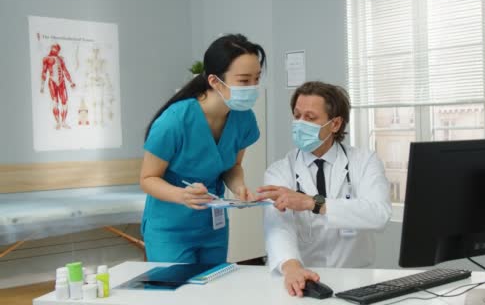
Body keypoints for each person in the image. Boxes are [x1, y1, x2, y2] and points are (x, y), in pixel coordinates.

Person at [257, 81, 391, 297]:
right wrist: (292, 268)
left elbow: (379, 214)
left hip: (356, 279)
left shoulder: (364, 161)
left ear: (335, 124)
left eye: (310, 118)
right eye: (297, 115)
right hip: (301, 281)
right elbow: (278, 226)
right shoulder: (280, 171)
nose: (300, 123)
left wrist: (313, 203)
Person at [140, 34, 266, 264]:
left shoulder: (244, 118)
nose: (253, 87)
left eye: (257, 79)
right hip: (170, 228)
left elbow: (233, 166)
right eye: (244, 80)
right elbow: (147, 178)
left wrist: (239, 187)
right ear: (215, 82)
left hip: (213, 226)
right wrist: (182, 195)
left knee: (212, 292)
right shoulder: (175, 121)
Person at [40, 43, 76, 130]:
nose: (54, 50)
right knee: (55, 102)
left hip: (61, 82)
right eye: (54, 49)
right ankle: (58, 122)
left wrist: (71, 82)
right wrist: (42, 85)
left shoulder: (61, 59)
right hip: (52, 82)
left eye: (56, 49)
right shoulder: (46, 59)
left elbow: (65, 70)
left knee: (65, 103)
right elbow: (44, 72)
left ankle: (63, 122)